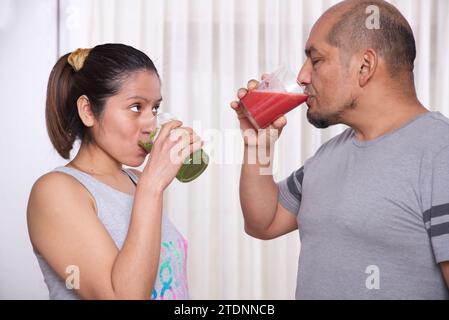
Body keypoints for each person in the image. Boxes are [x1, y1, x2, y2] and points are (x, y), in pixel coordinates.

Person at [231, 0, 449, 299]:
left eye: (316, 60)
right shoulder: (327, 156)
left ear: (365, 66)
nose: (302, 76)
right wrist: (258, 146)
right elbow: (263, 222)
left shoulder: (440, 152)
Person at [27, 43, 203, 299]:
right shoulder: (56, 191)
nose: (150, 124)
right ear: (88, 110)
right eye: (136, 107)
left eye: (154, 108)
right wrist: (152, 187)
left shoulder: (136, 181)